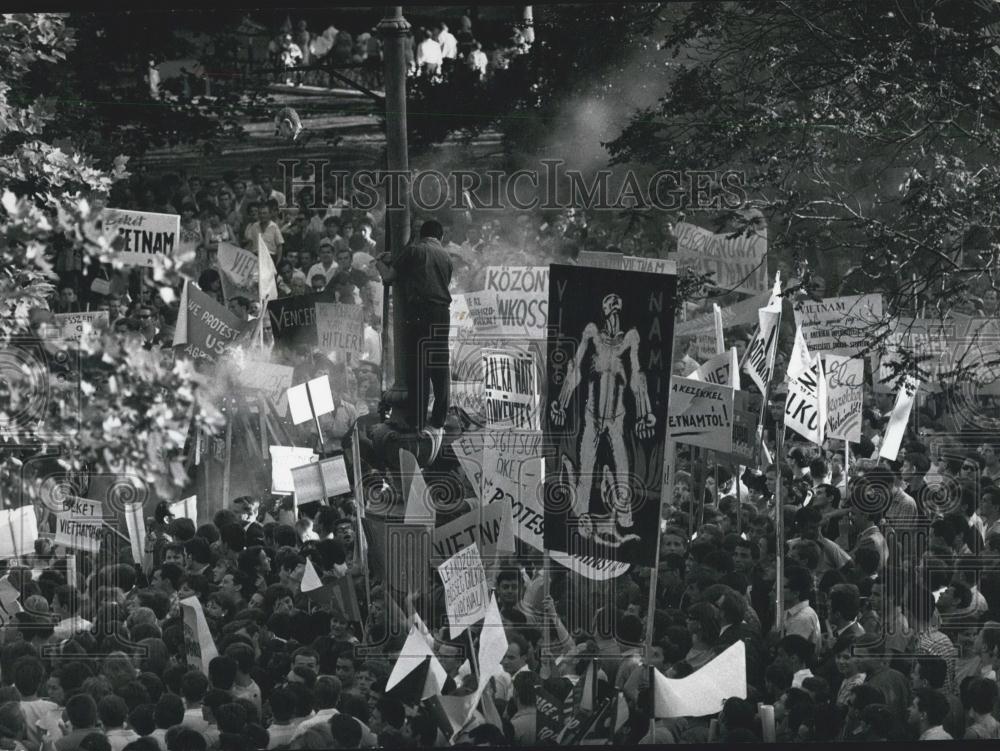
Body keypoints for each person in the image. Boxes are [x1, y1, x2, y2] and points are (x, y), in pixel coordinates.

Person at [374, 219, 452, 459]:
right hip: (442, 313)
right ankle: (439, 417)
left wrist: (379, 263)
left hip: (420, 313)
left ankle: (416, 421)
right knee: (439, 364)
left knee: (419, 367)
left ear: (421, 234)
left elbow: (389, 277)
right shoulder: (446, 256)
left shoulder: (416, 250)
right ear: (439, 236)